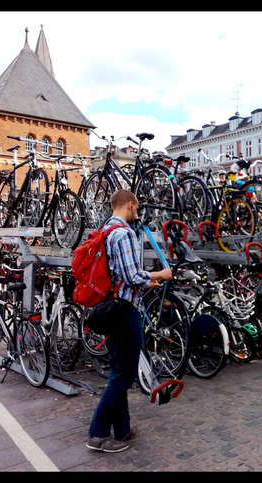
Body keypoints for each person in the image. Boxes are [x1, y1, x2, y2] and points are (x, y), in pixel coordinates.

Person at [86, 189, 172, 453]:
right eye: (136, 207)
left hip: (111, 308)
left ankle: (122, 430)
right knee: (123, 376)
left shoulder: (105, 230)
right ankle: (97, 434)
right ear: (131, 205)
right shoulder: (123, 234)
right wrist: (161, 273)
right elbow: (133, 275)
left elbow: (120, 277)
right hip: (124, 313)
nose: (137, 212)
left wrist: (148, 282)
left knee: (118, 372)